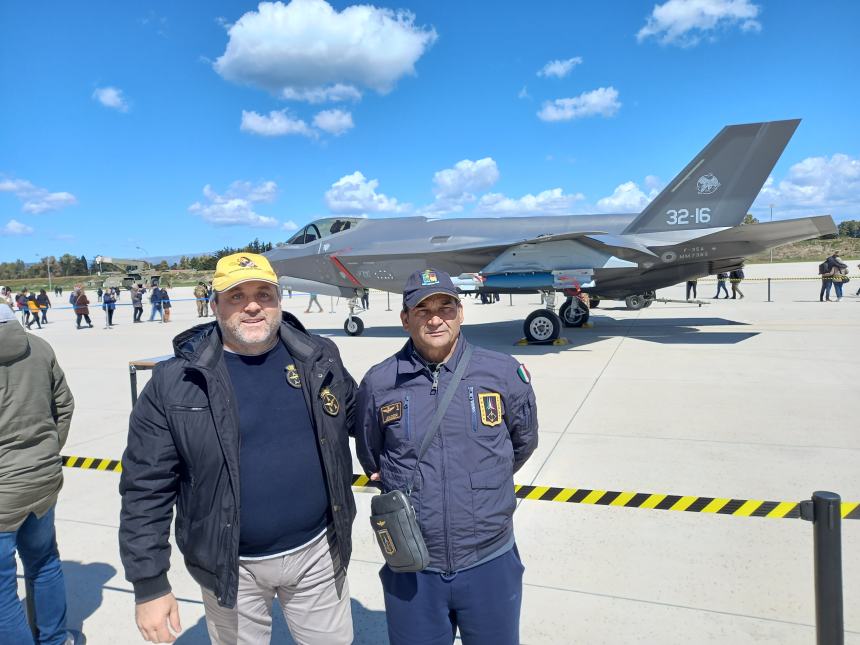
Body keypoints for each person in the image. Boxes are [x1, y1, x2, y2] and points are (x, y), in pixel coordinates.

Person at [119, 252, 357, 645]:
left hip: (318, 553)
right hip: (231, 566)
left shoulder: (319, 356)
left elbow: (360, 419)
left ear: (279, 301)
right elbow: (146, 485)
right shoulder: (175, 381)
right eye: (236, 296)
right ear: (215, 306)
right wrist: (149, 583)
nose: (251, 305)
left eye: (264, 294)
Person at [356, 268, 539, 645]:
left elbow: (522, 444)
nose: (436, 318)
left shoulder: (502, 373)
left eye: (446, 306)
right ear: (405, 319)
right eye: (422, 310)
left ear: (461, 312)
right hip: (414, 566)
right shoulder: (379, 382)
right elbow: (371, 455)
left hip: (489, 560)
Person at [0, 302, 82, 645]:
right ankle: (55, 638)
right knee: (44, 562)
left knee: (3, 589)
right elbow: (64, 404)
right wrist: (46, 452)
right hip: (42, 480)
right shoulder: (40, 347)